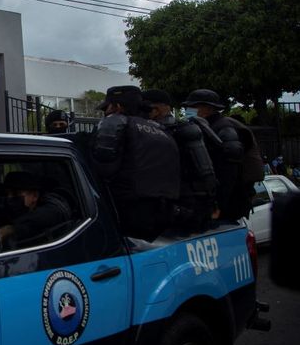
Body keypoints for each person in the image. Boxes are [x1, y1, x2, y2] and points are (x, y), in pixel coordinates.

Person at [91, 85, 180, 240]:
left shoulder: (115, 123)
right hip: (164, 215)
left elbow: (101, 171)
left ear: (117, 107)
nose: (106, 113)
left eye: (108, 107)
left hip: (127, 214)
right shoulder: (162, 131)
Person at [181, 89, 264, 221]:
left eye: (192, 107)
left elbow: (229, 172)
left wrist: (218, 205)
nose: (187, 110)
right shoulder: (207, 126)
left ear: (208, 108)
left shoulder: (223, 128)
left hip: (229, 203)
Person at [142, 89, 217, 232]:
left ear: (155, 110)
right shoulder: (183, 129)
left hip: (187, 205)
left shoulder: (180, 131)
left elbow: (206, 172)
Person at [0, 171, 72, 250]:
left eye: (16, 193)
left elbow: (47, 215)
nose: (9, 198)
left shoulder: (51, 210)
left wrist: (9, 229)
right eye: (6, 194)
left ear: (35, 196)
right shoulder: (4, 209)